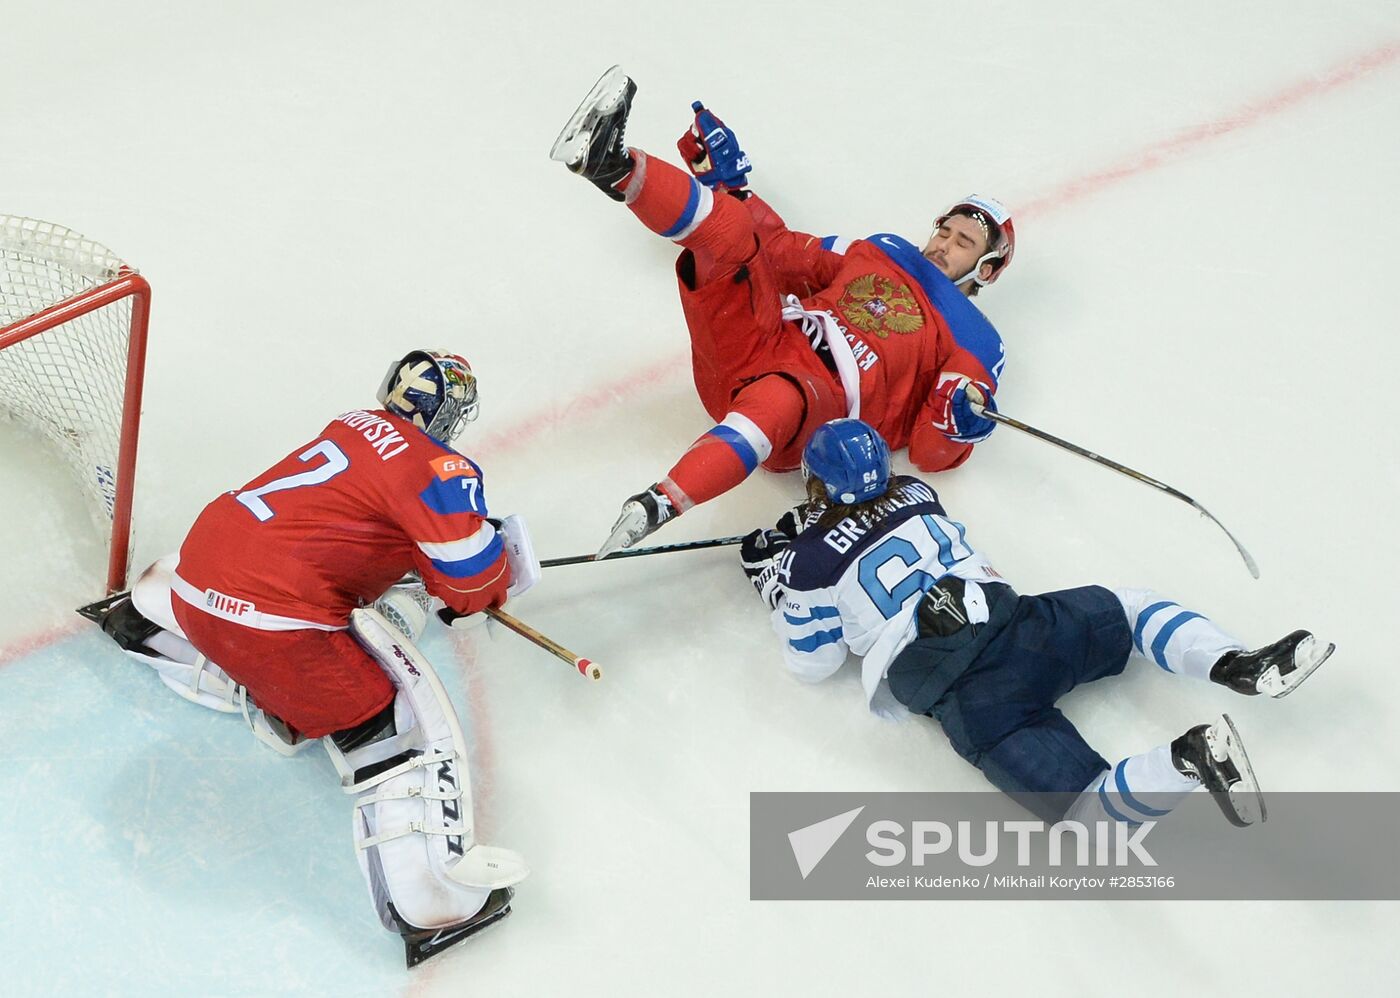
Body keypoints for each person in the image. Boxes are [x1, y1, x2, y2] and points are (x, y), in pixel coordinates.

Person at [78, 349, 538, 966]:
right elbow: (470, 583)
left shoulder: (353, 422)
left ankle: (137, 621)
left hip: (192, 577)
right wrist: (488, 572)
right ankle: (430, 902)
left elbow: (350, 522)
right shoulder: (440, 466)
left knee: (225, 595)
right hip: (271, 625)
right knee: (388, 727)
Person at [739, 418, 1335, 827]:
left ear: (815, 483)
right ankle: (1235, 665)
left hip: (974, 701)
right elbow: (868, 520)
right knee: (1128, 609)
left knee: (1086, 817)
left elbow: (813, 664)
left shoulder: (809, 564)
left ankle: (1188, 758)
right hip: (1025, 626)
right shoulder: (918, 493)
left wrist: (777, 580)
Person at [551, 66, 1016, 558]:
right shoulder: (882, 250)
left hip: (816, 402)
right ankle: (609, 162)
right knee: (728, 229)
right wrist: (731, 186)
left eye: (963, 242)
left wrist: (957, 423)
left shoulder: (977, 342)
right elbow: (778, 250)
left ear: (986, 271)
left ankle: (657, 504)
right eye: (945, 230)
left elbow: (928, 452)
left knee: (779, 398)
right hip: (760, 341)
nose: (944, 244)